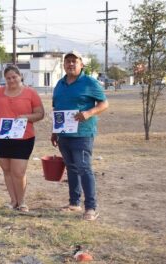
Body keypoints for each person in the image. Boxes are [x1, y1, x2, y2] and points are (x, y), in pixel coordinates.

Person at [51, 51, 109, 221]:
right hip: (64, 134)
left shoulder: (89, 82)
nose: (70, 64)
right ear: (64, 65)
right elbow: (57, 109)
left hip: (82, 133)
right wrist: (55, 131)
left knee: (84, 168)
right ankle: (74, 203)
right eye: (67, 61)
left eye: (74, 61)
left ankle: (91, 207)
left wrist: (89, 113)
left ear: (81, 64)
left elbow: (104, 103)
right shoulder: (59, 84)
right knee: (71, 168)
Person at [0, 65, 44, 212]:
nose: (11, 80)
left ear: (20, 76)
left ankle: (22, 202)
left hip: (23, 137)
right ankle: (13, 201)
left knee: (19, 172)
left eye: (14, 77)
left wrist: (26, 117)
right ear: (4, 79)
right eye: (8, 78)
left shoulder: (31, 93)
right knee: (7, 170)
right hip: (0, 136)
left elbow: (40, 114)